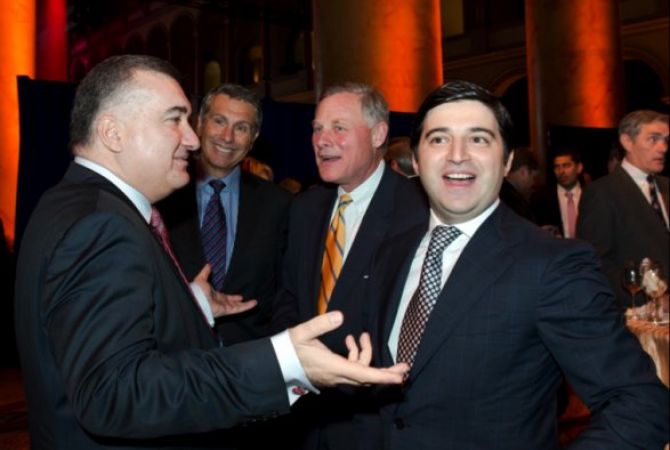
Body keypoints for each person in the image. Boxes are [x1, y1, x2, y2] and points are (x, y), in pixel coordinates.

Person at [13, 55, 408, 450]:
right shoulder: (102, 225)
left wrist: (192, 304)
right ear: (112, 133)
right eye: (174, 119)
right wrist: (284, 363)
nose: (192, 139)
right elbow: (114, 394)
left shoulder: (67, 203)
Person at [367, 81, 668, 449]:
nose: (457, 155)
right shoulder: (391, 251)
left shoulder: (553, 265)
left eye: (478, 139)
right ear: (416, 159)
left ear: (507, 161)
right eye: (439, 139)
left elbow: (640, 403)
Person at [272, 83, 428, 450]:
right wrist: (294, 363)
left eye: (338, 127)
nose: (322, 140)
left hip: (376, 419)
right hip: (306, 414)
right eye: (317, 128)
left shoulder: (418, 210)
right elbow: (289, 296)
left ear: (378, 134)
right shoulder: (305, 208)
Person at [158, 84, 292, 346]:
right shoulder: (162, 196)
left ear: (253, 138)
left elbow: (286, 293)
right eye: (219, 121)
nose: (227, 137)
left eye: (241, 128)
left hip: (249, 358)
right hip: (175, 354)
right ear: (200, 124)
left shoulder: (279, 204)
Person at [577, 110, 669, 308]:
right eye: (653, 139)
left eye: (665, 140)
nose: (663, 148)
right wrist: (649, 300)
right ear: (627, 142)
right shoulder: (602, 192)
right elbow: (596, 262)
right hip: (635, 314)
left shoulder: (666, 186)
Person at [533, 148, 584, 238]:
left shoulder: (591, 194)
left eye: (566, 166)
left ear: (579, 168)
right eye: (557, 167)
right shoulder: (542, 198)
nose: (561, 171)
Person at [498, 145, 538, 221]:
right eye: (533, 178)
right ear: (524, 172)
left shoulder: (498, 192)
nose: (533, 183)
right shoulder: (514, 202)